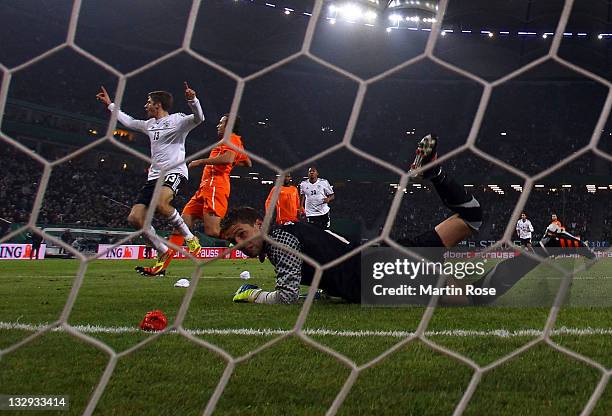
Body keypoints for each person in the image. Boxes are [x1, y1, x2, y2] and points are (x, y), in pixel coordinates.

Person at [221, 134, 595, 306]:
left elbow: (287, 297)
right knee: (472, 218)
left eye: (241, 234)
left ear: (258, 222)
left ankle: (547, 246)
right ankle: (435, 174)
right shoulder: (291, 233)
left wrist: (252, 294)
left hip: (379, 274)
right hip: (379, 258)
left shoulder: (279, 240)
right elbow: (319, 266)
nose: (241, 243)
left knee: (480, 295)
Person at [96, 83, 204, 273]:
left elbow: (199, 118)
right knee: (135, 218)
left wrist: (192, 100)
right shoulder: (149, 125)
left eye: (148, 102)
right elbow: (128, 122)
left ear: (158, 105)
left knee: (162, 204)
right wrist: (110, 105)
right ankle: (163, 251)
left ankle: (190, 238)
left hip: (175, 172)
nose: (145, 106)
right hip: (154, 177)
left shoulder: (177, 120)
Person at [136, 114, 251, 276]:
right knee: (180, 227)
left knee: (212, 231)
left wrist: (201, 162)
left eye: (221, 123)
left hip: (215, 187)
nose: (218, 125)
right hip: (203, 188)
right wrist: (233, 161)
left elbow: (229, 158)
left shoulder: (232, 138)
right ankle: (160, 267)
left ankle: (250, 242)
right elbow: (247, 162)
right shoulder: (230, 141)